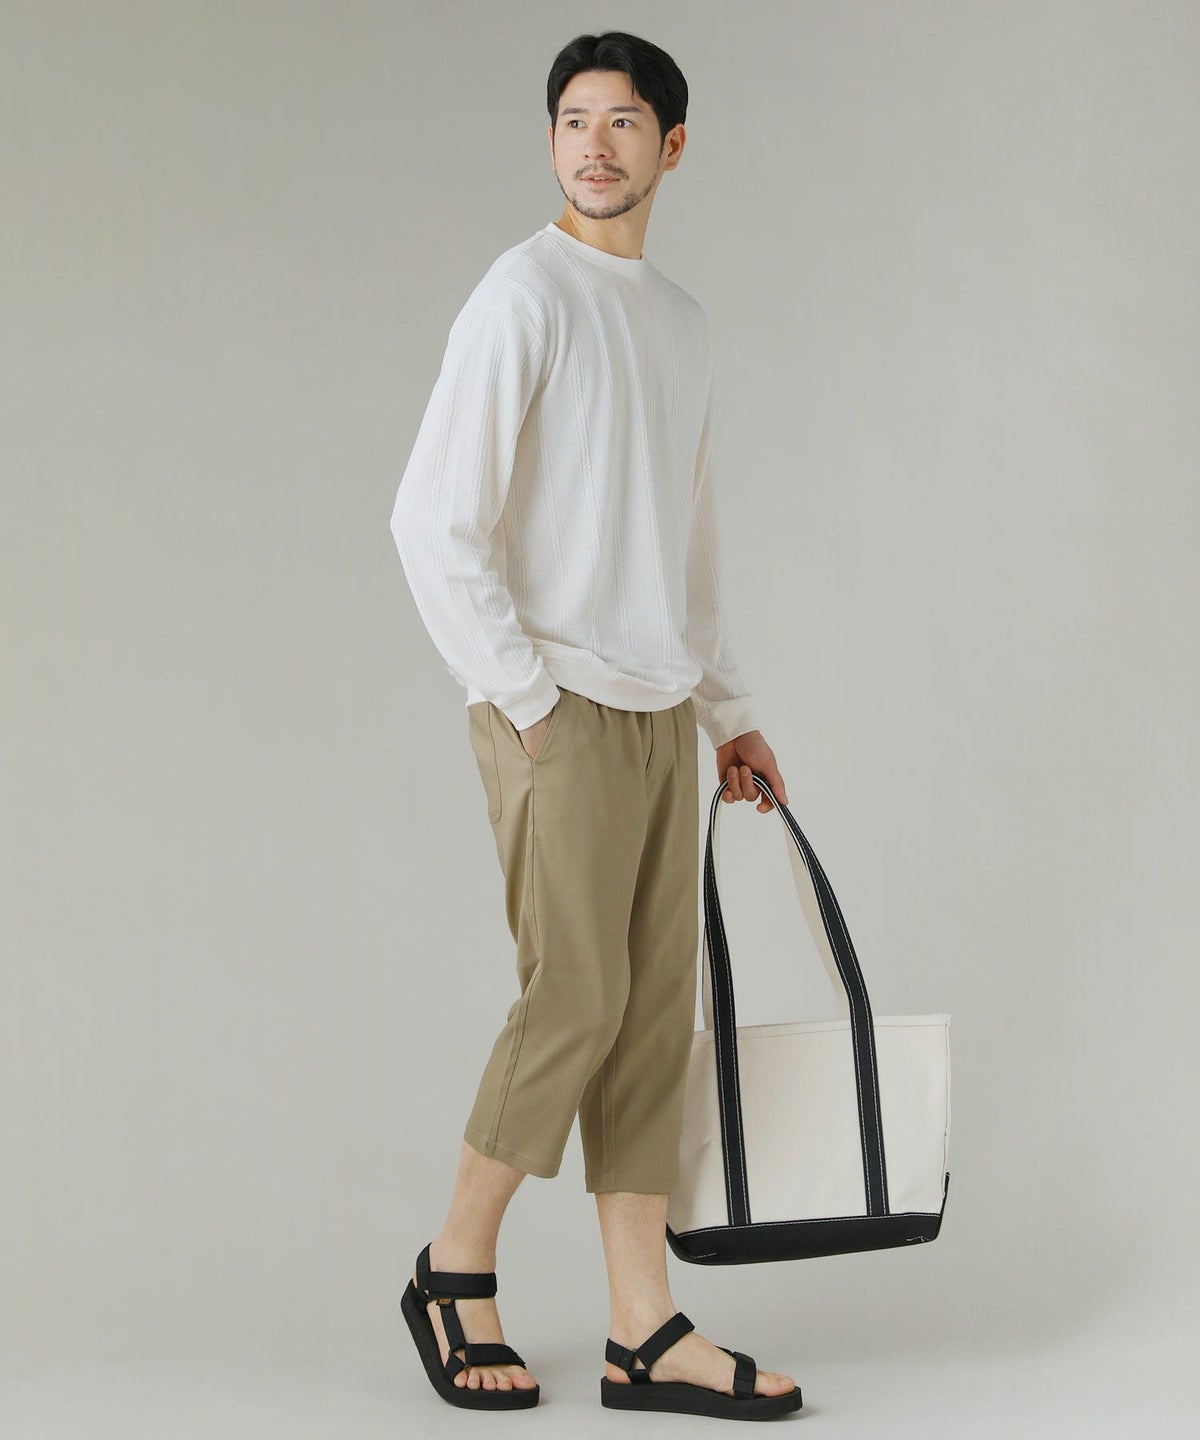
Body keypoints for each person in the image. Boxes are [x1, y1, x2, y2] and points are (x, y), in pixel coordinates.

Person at [389, 30, 799, 1422]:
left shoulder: (681, 323)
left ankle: (643, 1328)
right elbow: (431, 520)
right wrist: (523, 695)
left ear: (671, 146)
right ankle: (454, 1268)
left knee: (650, 1023)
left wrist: (728, 711)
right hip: (554, 706)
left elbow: (688, 547)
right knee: (574, 997)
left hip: (664, 714)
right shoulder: (523, 295)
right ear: (551, 141)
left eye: (623, 122)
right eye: (573, 120)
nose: (595, 145)